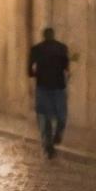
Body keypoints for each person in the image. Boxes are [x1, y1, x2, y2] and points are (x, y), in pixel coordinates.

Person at [28, 26, 69, 158]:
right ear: (53, 35)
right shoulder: (62, 48)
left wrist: (36, 74)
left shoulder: (36, 49)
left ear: (44, 36)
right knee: (61, 116)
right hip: (58, 87)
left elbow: (29, 70)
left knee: (45, 118)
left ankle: (49, 145)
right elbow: (66, 67)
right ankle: (56, 137)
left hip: (44, 87)